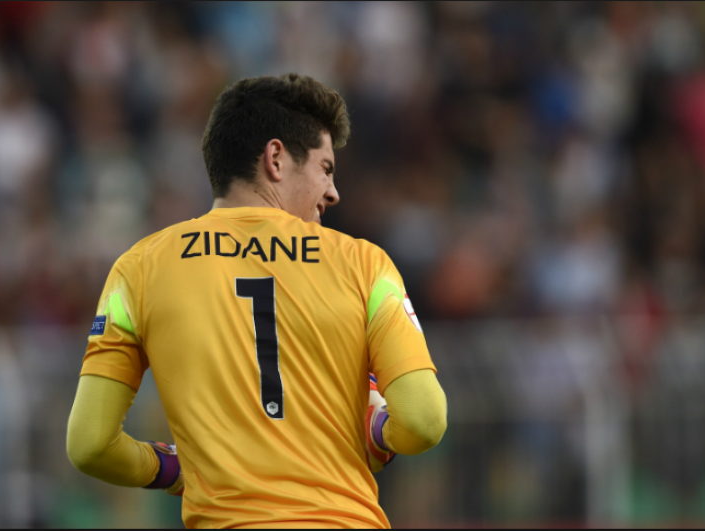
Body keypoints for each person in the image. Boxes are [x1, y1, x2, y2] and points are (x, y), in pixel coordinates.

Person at [67, 73, 447, 529]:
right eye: (325, 168)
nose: (333, 191)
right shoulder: (364, 264)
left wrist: (172, 471)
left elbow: (89, 444)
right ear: (276, 158)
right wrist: (377, 430)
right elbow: (424, 420)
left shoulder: (139, 268)